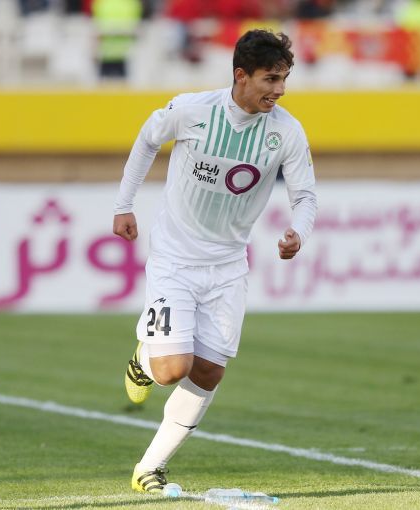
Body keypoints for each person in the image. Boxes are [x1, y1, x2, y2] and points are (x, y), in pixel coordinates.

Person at [113, 29, 317, 492]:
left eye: (284, 79)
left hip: (227, 267)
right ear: (241, 75)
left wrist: (298, 233)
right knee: (171, 370)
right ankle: (145, 355)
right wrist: (124, 205)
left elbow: (305, 195)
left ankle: (149, 468)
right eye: (271, 79)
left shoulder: (285, 131)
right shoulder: (193, 110)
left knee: (208, 372)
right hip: (175, 258)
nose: (280, 90)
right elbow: (147, 140)